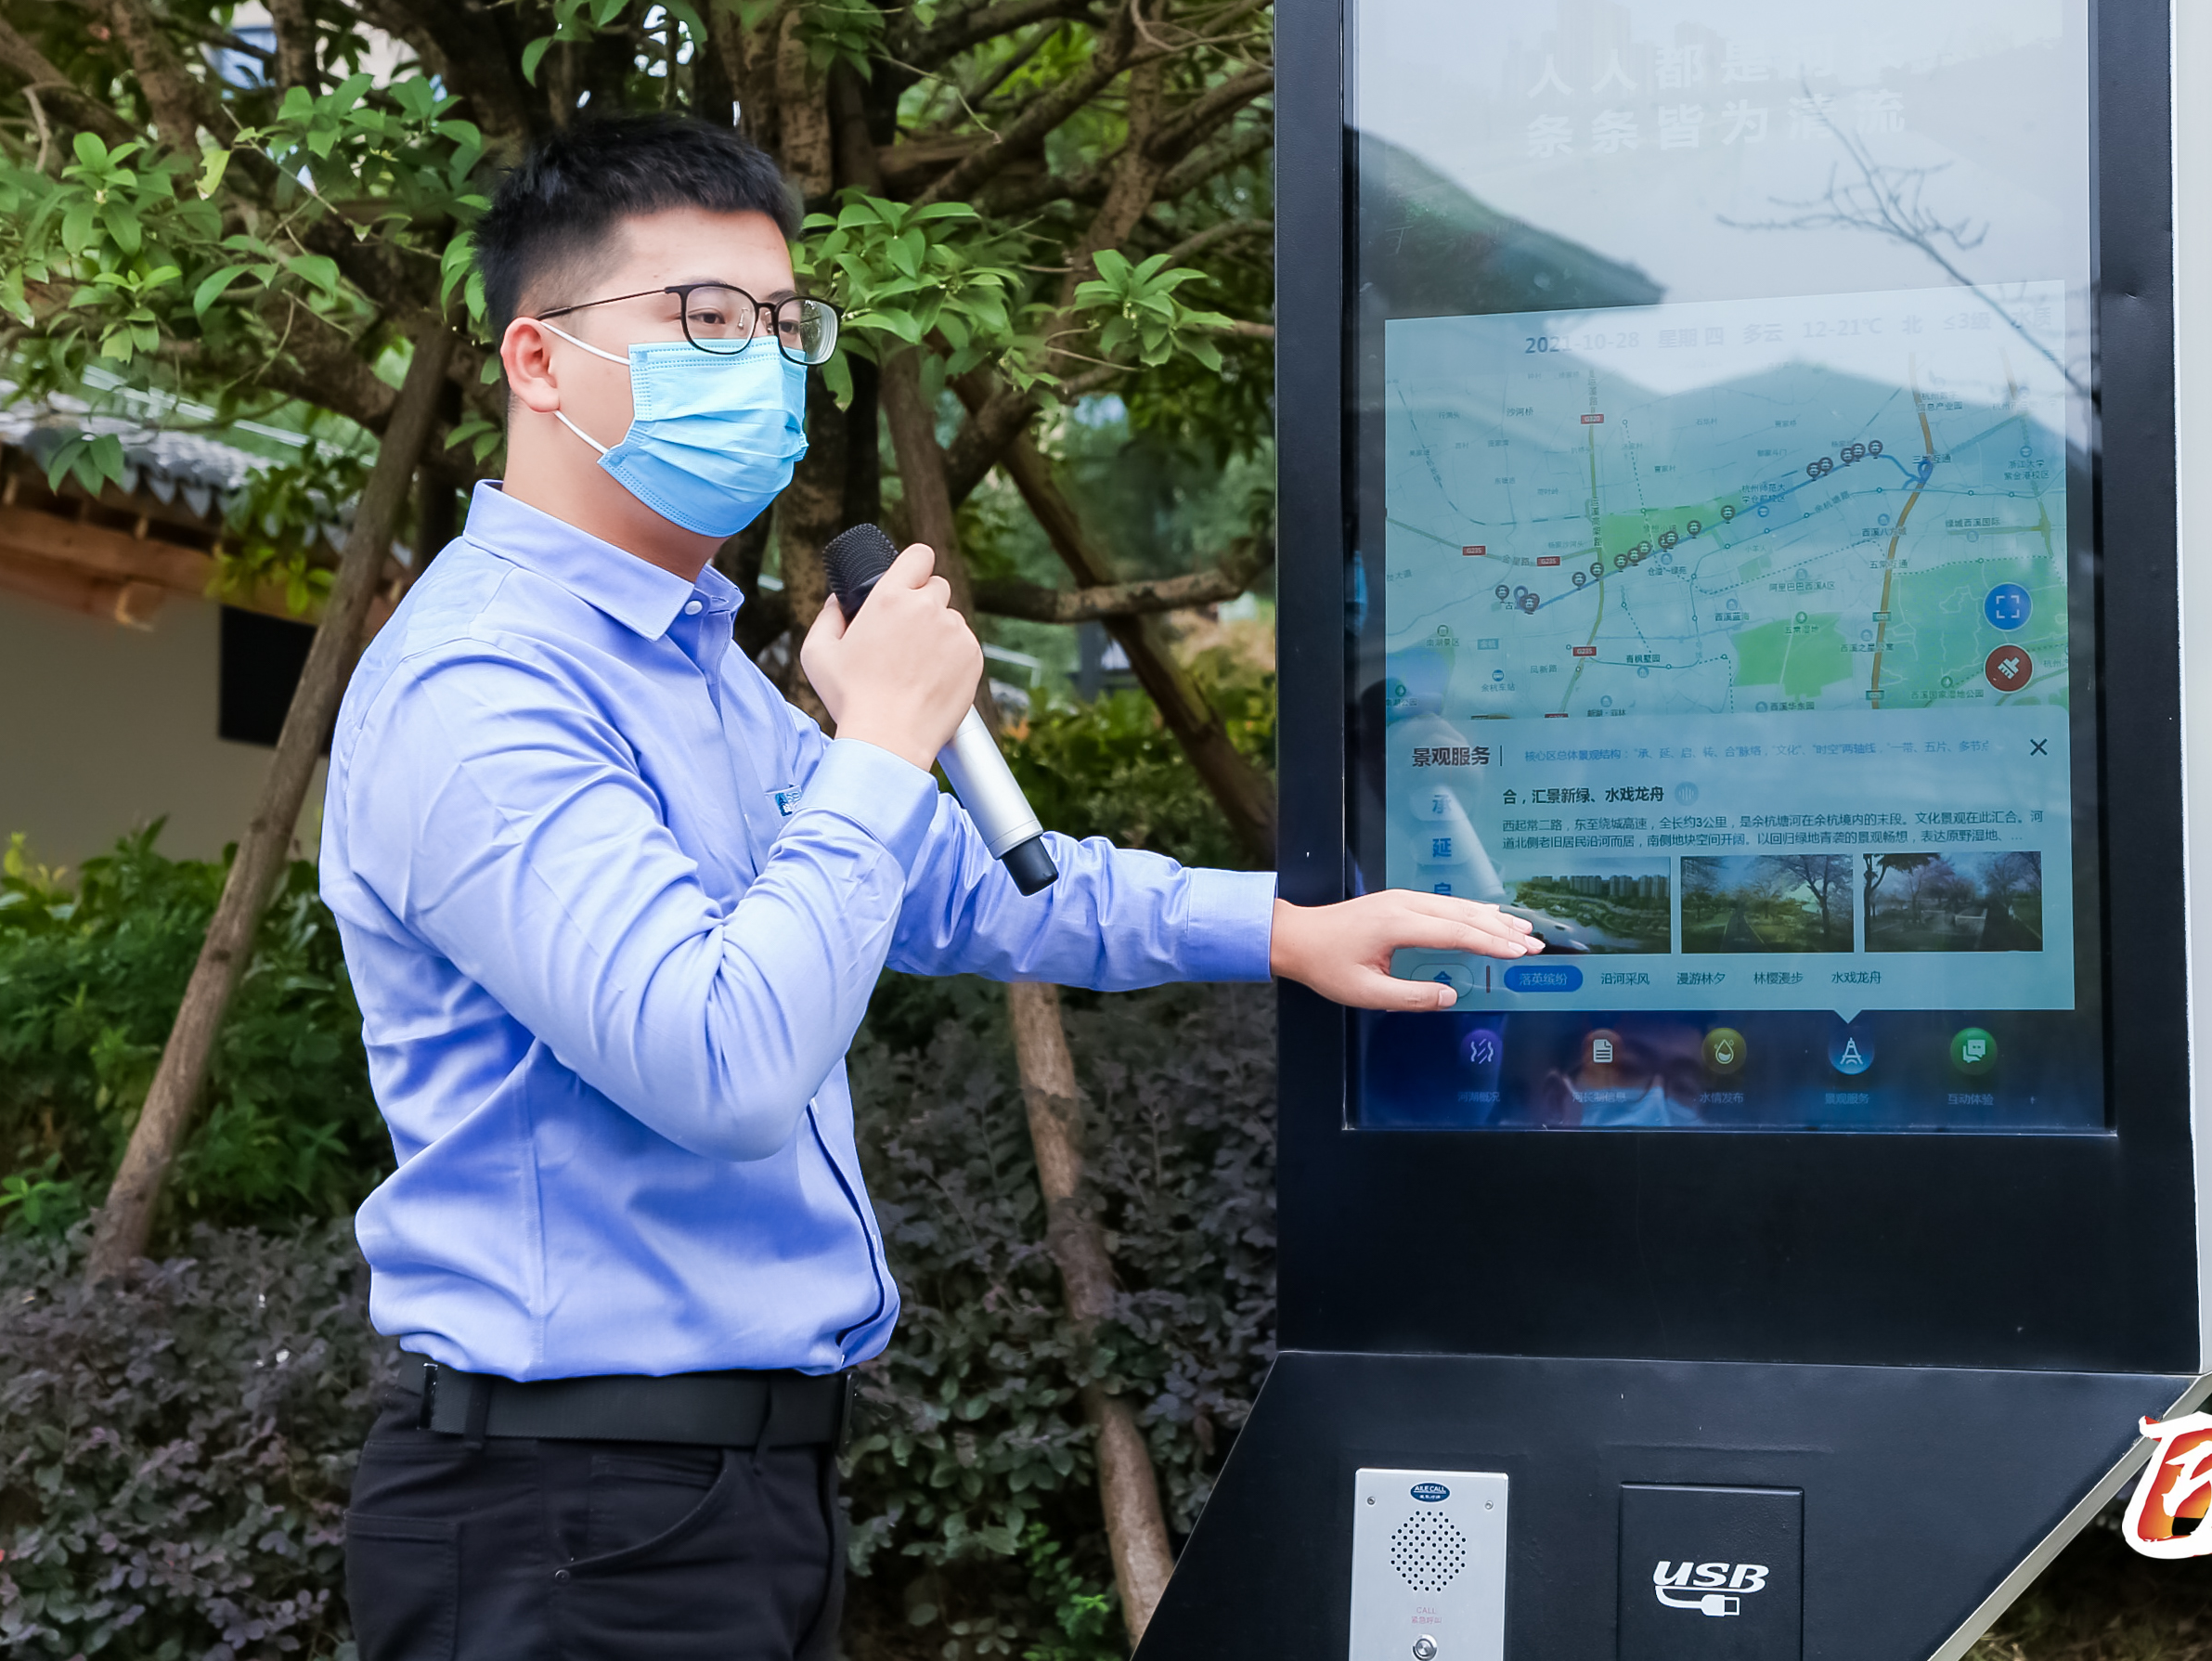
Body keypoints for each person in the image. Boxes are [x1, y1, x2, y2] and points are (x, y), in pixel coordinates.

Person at [318, 113, 1535, 1658]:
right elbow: (719, 1059)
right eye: (705, 319)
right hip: (566, 1519)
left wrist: (1283, 929)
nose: (762, 365)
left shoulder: (695, 664)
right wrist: (883, 738)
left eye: (783, 327)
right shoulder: (482, 687)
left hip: (730, 1497)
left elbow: (969, 887)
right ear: (538, 360)